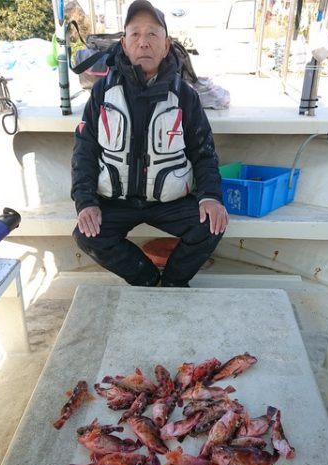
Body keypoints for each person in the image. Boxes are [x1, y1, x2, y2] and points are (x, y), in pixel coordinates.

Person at [71, 0, 228, 287]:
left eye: (153, 34)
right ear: (124, 44)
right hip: (116, 201)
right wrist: (86, 202)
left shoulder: (186, 97)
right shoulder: (102, 93)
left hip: (170, 202)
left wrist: (210, 197)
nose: (144, 42)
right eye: (135, 35)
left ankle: (172, 283)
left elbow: (204, 154)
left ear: (166, 45)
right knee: (87, 234)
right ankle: (146, 280)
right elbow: (85, 151)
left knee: (212, 225)